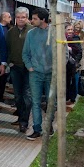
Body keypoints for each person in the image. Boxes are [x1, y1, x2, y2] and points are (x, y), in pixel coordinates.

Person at [22, 8, 54, 140]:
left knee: (50, 101)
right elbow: (25, 53)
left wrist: (57, 69)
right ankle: (37, 128)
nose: (31, 21)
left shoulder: (55, 33)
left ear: (43, 19)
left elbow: (64, 53)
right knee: (35, 102)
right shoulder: (30, 34)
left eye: (35, 18)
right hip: (35, 73)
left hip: (52, 73)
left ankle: (49, 126)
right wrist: (30, 67)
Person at [6, 7, 33, 133]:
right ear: (15, 18)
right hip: (15, 67)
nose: (21, 19)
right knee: (17, 96)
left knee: (27, 96)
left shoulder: (33, 31)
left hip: (29, 68)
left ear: (27, 18)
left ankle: (24, 122)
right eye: (18, 17)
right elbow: (7, 48)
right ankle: (21, 117)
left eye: (23, 17)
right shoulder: (11, 32)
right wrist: (8, 62)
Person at [0, 11, 12, 105]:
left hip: (5, 56)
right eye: (9, 17)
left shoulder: (9, 29)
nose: (10, 19)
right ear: (4, 18)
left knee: (3, 77)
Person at [65, 24, 82, 104]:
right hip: (64, 64)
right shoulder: (63, 38)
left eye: (71, 29)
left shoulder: (76, 38)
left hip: (72, 64)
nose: (70, 31)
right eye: (68, 29)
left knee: (73, 81)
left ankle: (72, 97)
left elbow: (79, 51)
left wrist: (76, 61)